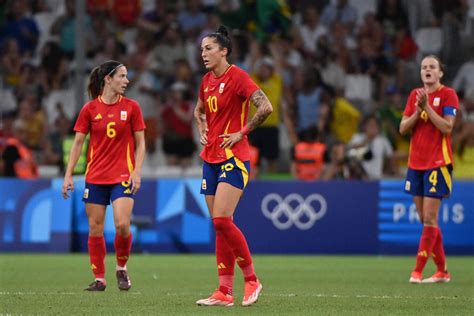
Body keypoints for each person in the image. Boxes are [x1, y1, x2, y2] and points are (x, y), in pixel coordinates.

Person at [194, 25, 273, 307]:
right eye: (202, 49)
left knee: (222, 220)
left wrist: (242, 133)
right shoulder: (206, 81)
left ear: (223, 51)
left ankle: (252, 279)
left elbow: (266, 107)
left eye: (208, 48)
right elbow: (199, 109)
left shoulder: (238, 77)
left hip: (234, 157)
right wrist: (202, 126)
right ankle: (224, 292)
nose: (203, 53)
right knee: (219, 226)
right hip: (210, 158)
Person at [61, 60, 146, 291]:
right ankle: (100, 278)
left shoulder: (132, 107)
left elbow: (141, 143)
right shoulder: (90, 109)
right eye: (122, 76)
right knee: (95, 228)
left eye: (126, 76)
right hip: (95, 177)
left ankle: (121, 267)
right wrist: (68, 175)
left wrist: (137, 172)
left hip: (122, 176)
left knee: (121, 225)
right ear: (108, 79)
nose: (126, 81)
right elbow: (78, 143)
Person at [399, 55, 459, 284]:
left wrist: (428, 109)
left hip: (438, 162)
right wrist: (417, 111)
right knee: (425, 218)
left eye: (432, 67)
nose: (427, 70)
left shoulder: (448, 94)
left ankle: (417, 271)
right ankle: (442, 271)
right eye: (424, 67)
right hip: (416, 164)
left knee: (431, 218)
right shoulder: (415, 95)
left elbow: (447, 126)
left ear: (440, 73)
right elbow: (403, 128)